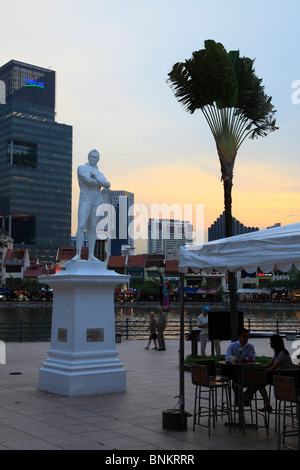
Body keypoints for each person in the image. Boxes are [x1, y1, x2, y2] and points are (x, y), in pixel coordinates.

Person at [72, 149, 110, 262]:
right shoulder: (82, 168)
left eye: (95, 157)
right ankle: (78, 254)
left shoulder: (99, 173)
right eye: (91, 156)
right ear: (88, 157)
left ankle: (91, 255)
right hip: (85, 199)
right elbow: (89, 181)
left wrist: (96, 178)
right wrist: (99, 181)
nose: (93, 159)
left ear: (98, 160)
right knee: (81, 225)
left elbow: (107, 185)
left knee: (93, 227)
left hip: (97, 200)